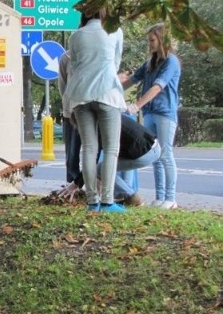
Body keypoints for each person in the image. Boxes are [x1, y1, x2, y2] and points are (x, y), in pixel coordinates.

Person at [63, 11, 127, 213]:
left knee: (89, 148)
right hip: (107, 92)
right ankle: (107, 201)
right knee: (111, 149)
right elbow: (115, 63)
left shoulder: (76, 35)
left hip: (81, 94)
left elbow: (73, 65)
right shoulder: (115, 31)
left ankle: (92, 201)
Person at [122, 23, 181, 209]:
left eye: (152, 40)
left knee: (165, 154)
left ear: (162, 39)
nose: (150, 44)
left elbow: (157, 87)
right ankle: (160, 196)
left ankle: (170, 198)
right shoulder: (150, 63)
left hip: (165, 113)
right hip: (150, 113)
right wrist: (111, 89)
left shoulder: (171, 62)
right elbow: (131, 80)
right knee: (154, 155)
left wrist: (137, 105)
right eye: (149, 40)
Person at [59, 115, 161, 206]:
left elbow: (92, 162)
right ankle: (123, 196)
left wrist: (75, 184)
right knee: (104, 167)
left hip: (146, 152)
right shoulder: (106, 115)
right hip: (144, 147)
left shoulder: (100, 127)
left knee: (100, 169)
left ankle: (132, 198)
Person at [58, 51, 82, 184]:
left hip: (90, 110)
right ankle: (72, 183)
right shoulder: (66, 58)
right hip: (71, 112)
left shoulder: (95, 54)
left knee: (94, 151)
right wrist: (68, 103)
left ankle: (92, 184)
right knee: (72, 152)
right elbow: (62, 85)